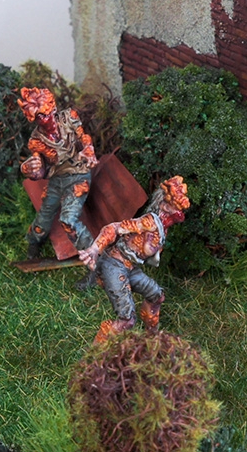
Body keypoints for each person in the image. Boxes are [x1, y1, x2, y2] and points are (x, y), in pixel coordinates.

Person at [78, 176, 190, 343]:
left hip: (130, 267)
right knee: (127, 320)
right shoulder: (148, 222)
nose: (179, 213)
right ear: (165, 206)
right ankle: (95, 353)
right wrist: (95, 249)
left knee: (156, 296)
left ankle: (152, 339)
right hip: (114, 265)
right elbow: (115, 228)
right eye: (176, 207)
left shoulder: (162, 229)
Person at [18, 87, 98, 260]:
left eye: (45, 114)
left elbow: (83, 137)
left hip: (78, 175)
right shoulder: (36, 140)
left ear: (52, 108)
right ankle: (34, 243)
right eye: (37, 117)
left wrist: (88, 149)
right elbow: (39, 171)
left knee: (68, 220)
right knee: (43, 217)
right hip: (57, 180)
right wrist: (28, 169)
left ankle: (93, 254)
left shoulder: (69, 117)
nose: (43, 120)